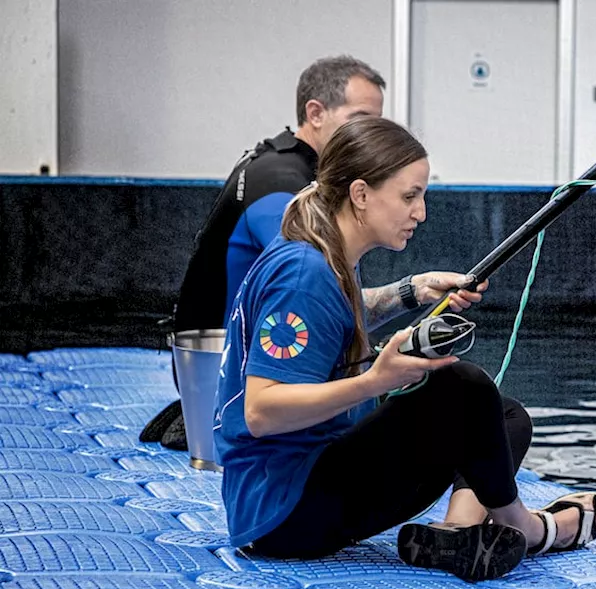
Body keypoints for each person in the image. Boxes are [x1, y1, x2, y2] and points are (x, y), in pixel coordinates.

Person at [213, 115, 596, 579]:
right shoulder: (305, 273)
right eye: (409, 197)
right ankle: (529, 528)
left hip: (297, 489)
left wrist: (413, 291)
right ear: (360, 194)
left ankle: (455, 532)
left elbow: (338, 313)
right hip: (284, 516)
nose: (420, 213)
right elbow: (262, 412)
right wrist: (374, 382)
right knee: (460, 385)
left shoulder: (321, 252)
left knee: (503, 416)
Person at [144, 55, 443, 445]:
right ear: (315, 113)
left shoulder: (300, 175)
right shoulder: (282, 186)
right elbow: (309, 293)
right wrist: (374, 377)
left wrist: (414, 291)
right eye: (359, 117)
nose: (370, 131)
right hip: (235, 376)